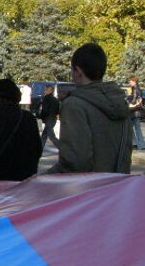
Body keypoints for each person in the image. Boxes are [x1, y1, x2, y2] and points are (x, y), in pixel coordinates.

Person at [47, 43, 132, 174]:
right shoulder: (120, 102)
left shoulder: (74, 105)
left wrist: (42, 178)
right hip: (117, 187)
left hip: (88, 189)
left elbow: (74, 162)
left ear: (78, 71)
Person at [37, 84, 60, 149]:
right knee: (45, 135)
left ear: (49, 90)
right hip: (53, 119)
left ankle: (62, 148)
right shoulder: (56, 99)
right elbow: (58, 110)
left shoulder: (46, 99)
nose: (45, 91)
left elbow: (44, 110)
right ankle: (40, 148)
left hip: (48, 119)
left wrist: (40, 116)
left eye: (46, 90)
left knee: (51, 136)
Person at [128, 75, 145, 150]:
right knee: (134, 128)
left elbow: (135, 99)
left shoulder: (136, 89)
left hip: (135, 112)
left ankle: (138, 145)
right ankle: (138, 144)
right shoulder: (135, 89)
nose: (129, 82)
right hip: (135, 112)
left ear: (134, 81)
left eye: (130, 81)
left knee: (133, 128)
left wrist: (129, 104)